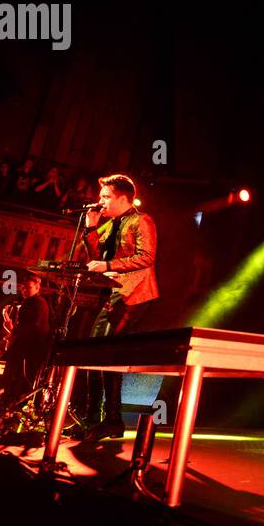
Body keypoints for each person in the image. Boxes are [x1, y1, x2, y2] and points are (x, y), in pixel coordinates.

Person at [73, 173, 158, 440]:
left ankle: (109, 420)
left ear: (123, 198)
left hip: (134, 294)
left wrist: (108, 266)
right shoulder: (110, 224)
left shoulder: (142, 220)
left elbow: (146, 257)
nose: (100, 201)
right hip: (114, 293)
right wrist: (90, 228)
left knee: (105, 352)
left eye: (106, 197)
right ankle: (97, 419)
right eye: (101, 197)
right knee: (95, 352)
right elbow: (95, 256)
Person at [0, 274, 53, 402]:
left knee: (17, 374)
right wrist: (12, 330)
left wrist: (14, 332)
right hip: (29, 345)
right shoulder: (31, 302)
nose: (24, 290)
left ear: (37, 288)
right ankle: (8, 397)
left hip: (31, 346)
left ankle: (8, 397)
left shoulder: (37, 302)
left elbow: (35, 325)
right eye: (23, 288)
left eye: (28, 288)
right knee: (18, 374)